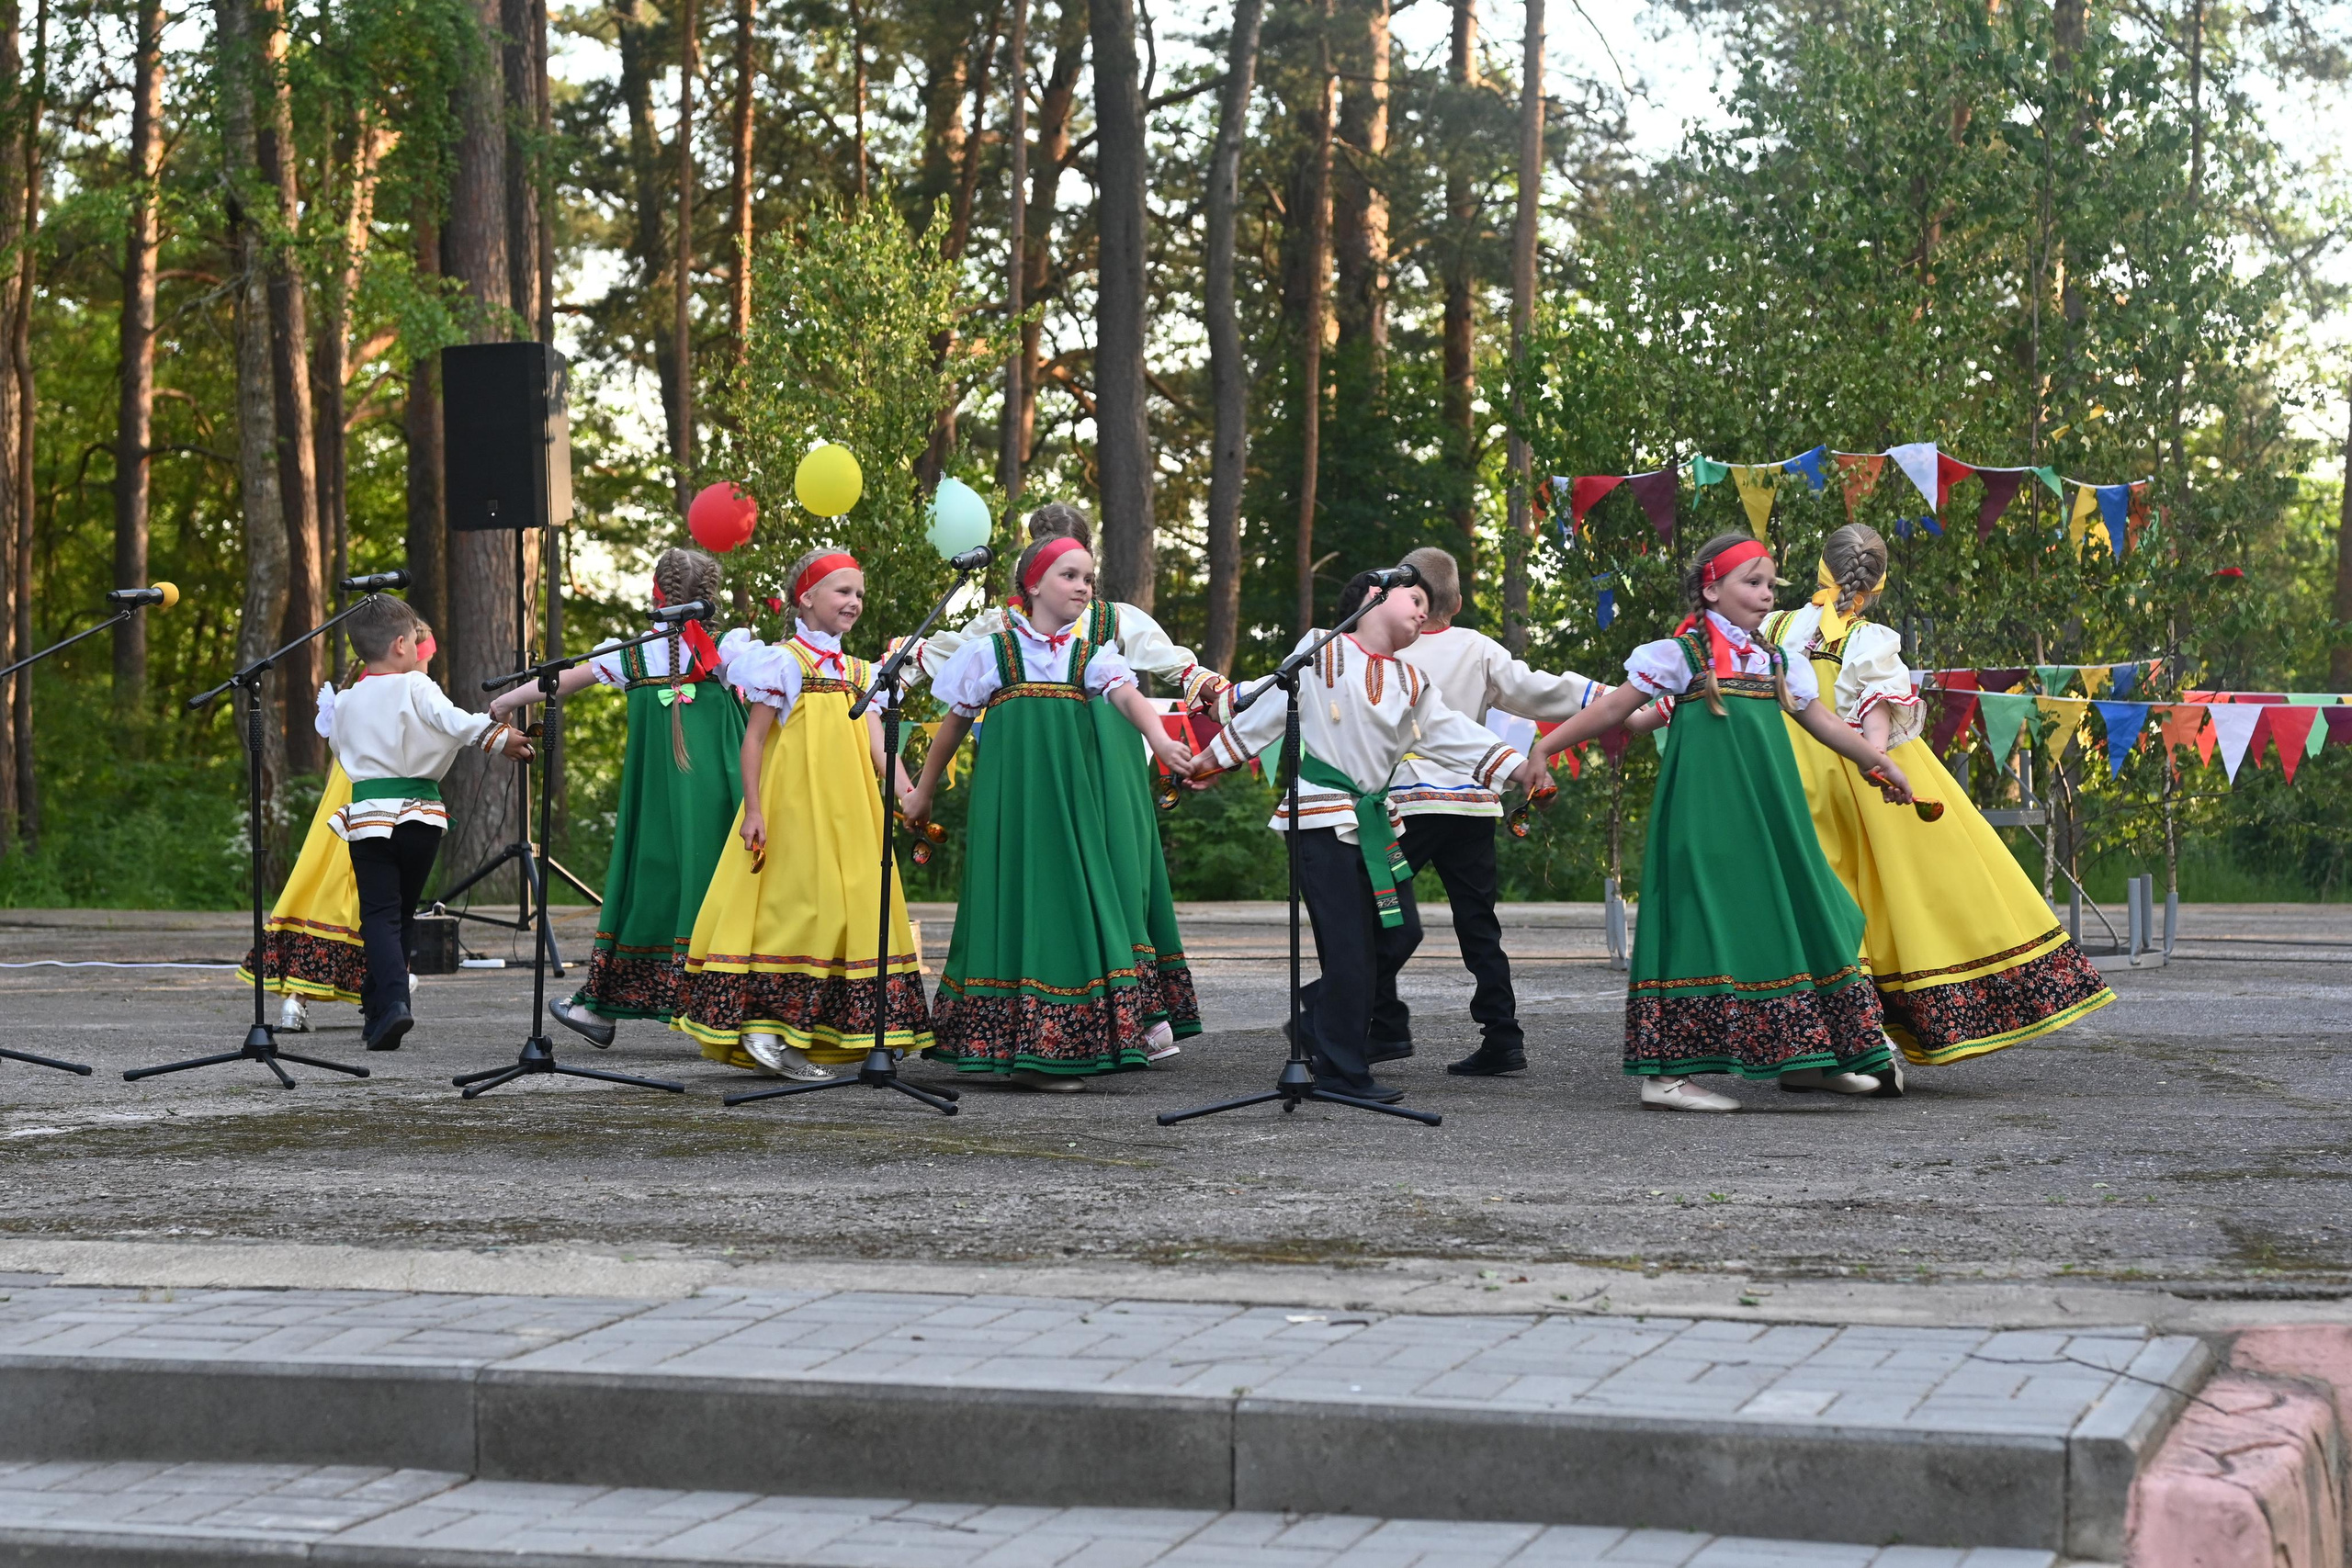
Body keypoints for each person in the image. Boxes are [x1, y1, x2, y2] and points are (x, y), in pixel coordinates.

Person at [1512, 533, 1913, 1112]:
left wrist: (1880, 762)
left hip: (1770, 817)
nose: (1767, 593)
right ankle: (1666, 1076)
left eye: (1771, 583)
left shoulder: (1776, 660)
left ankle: (1811, 1060)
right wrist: (1545, 748)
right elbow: (1613, 709)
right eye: (1753, 582)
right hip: (1704, 817)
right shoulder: (1682, 656)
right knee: (1698, 923)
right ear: (1711, 589)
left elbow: (1825, 723)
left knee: (1815, 908)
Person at [1763, 525, 2113, 1088]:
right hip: (1849, 780)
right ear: (1878, 584)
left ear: (1820, 567)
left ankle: (1812, 1048)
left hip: (1781, 777)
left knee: (1808, 902)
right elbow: (1876, 715)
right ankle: (1855, 1044)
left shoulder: (1774, 627)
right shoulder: (1870, 640)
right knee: (1879, 901)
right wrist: (1878, 763)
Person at [1189, 567, 1528, 1104]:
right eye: (1414, 597)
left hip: (1375, 823)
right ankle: (1342, 1071)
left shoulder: (1411, 681)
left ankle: (1320, 1026)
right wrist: (1214, 760)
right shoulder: (1320, 653)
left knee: (1400, 931)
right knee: (1349, 945)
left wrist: (1518, 767)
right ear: (1375, 596)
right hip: (1320, 818)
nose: (1424, 609)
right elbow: (1268, 711)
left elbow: (1453, 732)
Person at [901, 534, 1197, 1089]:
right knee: (1010, 899)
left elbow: (1128, 697)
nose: (1083, 587)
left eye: (1088, 578)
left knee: (1066, 903)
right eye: (1069, 575)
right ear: (1033, 584)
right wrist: (923, 790)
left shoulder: (1089, 655)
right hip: (1010, 806)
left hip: (1069, 805)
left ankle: (1052, 1049)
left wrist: (1160, 739)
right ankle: (1009, 1048)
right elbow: (953, 725)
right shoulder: (992, 652)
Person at [673, 549, 933, 1078]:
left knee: (849, 911)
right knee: (795, 909)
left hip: (851, 814)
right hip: (795, 810)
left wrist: (909, 793)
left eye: (859, 594)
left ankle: (809, 1036)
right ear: (807, 597)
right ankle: (765, 1026)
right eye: (843, 591)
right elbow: (754, 741)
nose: (854, 601)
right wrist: (753, 809)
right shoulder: (783, 663)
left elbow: (879, 747)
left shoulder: (859, 672)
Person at [490, 547, 746, 1045]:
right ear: (709, 596)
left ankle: (600, 1008)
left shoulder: (631, 655)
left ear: (656, 595)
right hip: (722, 798)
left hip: (658, 803)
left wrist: (505, 701)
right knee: (724, 886)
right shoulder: (730, 652)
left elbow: (558, 683)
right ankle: (737, 1010)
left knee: (647, 890)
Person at [1387, 547, 1621, 1077]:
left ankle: (1374, 1023)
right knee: (1479, 924)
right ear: (1458, 603)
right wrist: (1616, 696)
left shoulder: (1384, 647)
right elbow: (1538, 690)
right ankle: (1502, 1036)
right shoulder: (1477, 648)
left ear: (1403, 596)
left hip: (1406, 804)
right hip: (1471, 802)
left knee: (1377, 910)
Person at [328, 594, 533, 1050]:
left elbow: (340, 752)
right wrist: (499, 738)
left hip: (370, 818)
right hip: (421, 817)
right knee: (402, 913)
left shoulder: (344, 701)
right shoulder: (416, 686)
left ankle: (391, 1004)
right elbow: (453, 722)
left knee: (379, 914)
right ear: (402, 644)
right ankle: (379, 1011)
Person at [242, 620, 442, 1032]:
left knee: (332, 881)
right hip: (379, 796)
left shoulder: (361, 693)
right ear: (404, 650)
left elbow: (341, 753)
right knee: (357, 891)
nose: (427, 669)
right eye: (425, 661)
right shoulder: (408, 690)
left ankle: (334, 993)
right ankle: (381, 985)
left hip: (349, 792)